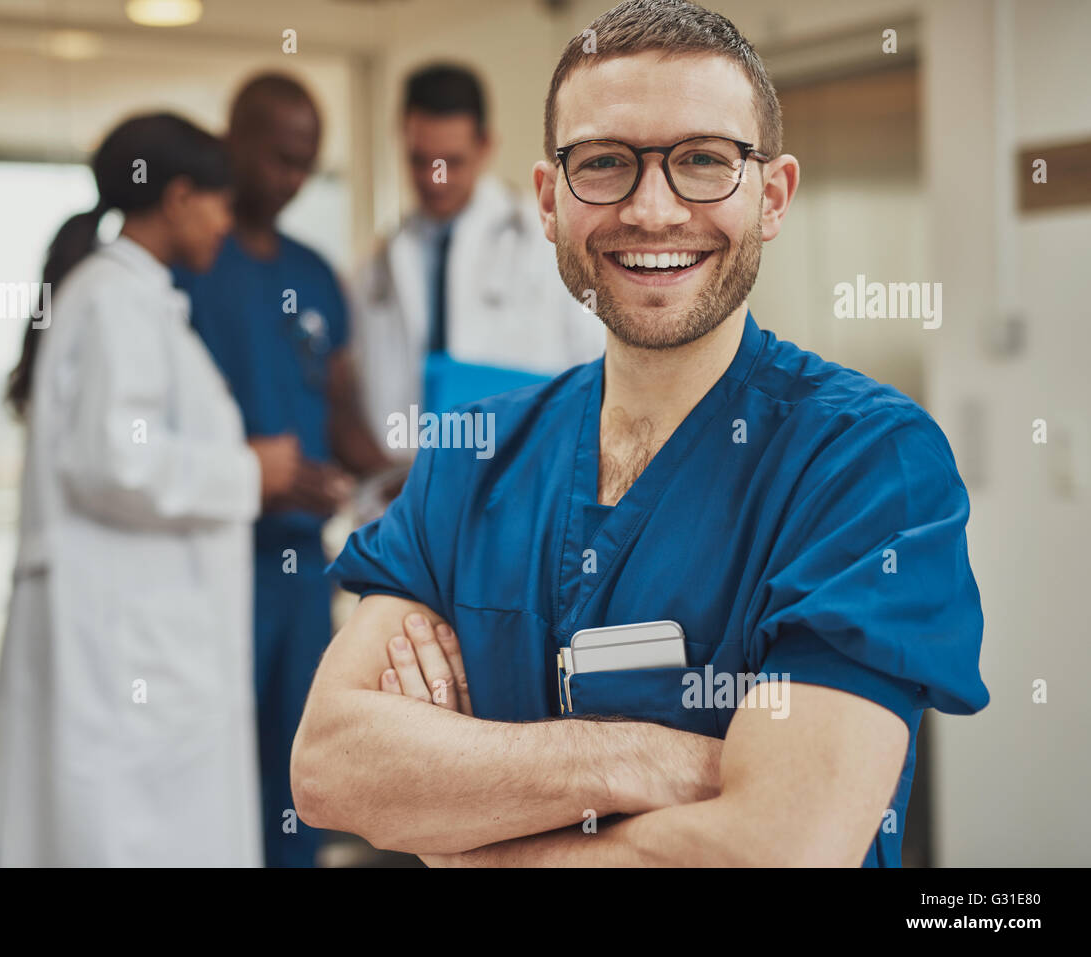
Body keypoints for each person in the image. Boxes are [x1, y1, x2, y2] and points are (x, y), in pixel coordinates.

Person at [291, 0, 990, 867]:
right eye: (605, 163)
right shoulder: (473, 454)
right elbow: (330, 767)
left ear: (772, 196)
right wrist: (644, 756)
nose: (653, 211)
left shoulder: (867, 466)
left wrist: (463, 836)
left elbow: (781, 849)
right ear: (549, 200)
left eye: (703, 160)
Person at [0, 113, 298, 867]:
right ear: (181, 196)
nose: (227, 222)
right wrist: (253, 471)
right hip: (121, 641)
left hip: (130, 633)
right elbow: (114, 460)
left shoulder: (130, 295)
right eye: (220, 202)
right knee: (122, 833)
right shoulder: (116, 300)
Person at [176, 74, 392, 868]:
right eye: (277, 158)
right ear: (234, 137)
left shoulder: (315, 273)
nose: (292, 179)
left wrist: (404, 473)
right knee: (209, 768)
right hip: (208, 566)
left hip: (302, 570)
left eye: (306, 163)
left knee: (296, 773)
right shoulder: (192, 259)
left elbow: (342, 416)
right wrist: (251, 474)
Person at [352, 63, 604, 447]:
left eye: (451, 162)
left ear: (485, 146)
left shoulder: (545, 239)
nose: (435, 180)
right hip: (412, 479)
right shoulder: (380, 264)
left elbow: (598, 365)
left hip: (526, 468)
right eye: (420, 161)